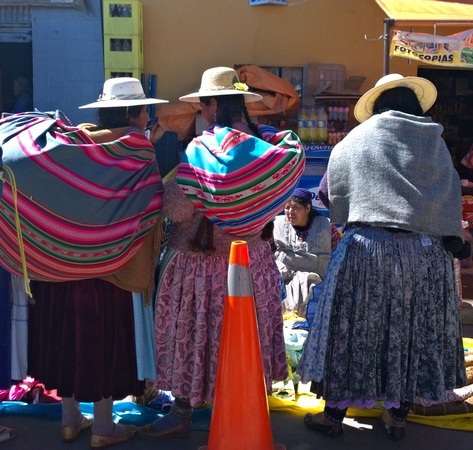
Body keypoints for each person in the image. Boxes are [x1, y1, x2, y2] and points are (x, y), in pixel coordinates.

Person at [297, 73, 469, 441]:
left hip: (366, 251)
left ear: (376, 104)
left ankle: (333, 416)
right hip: (424, 256)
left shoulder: (356, 139)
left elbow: (330, 194)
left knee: (352, 330)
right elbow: (448, 197)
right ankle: (398, 417)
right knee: (409, 333)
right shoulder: (434, 144)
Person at [138, 66, 305, 440]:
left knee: (193, 333)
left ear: (212, 105)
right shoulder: (266, 151)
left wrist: (171, 190)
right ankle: (244, 408)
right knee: (245, 335)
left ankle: (182, 408)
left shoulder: (202, 152)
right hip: (252, 263)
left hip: (201, 265)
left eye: (202, 104)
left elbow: (180, 211)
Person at [27, 77, 167, 448]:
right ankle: (104, 428)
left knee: (68, 342)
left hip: (59, 264)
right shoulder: (138, 149)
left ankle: (70, 419)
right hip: (111, 269)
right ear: (135, 114)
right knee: (101, 344)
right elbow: (151, 202)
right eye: (144, 112)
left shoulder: (70, 142)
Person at [273, 187, 331, 316]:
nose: (290, 212)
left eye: (296, 208)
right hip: (285, 284)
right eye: (287, 208)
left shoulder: (326, 226)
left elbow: (337, 255)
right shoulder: (277, 225)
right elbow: (267, 256)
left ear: (308, 208)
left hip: (319, 286)